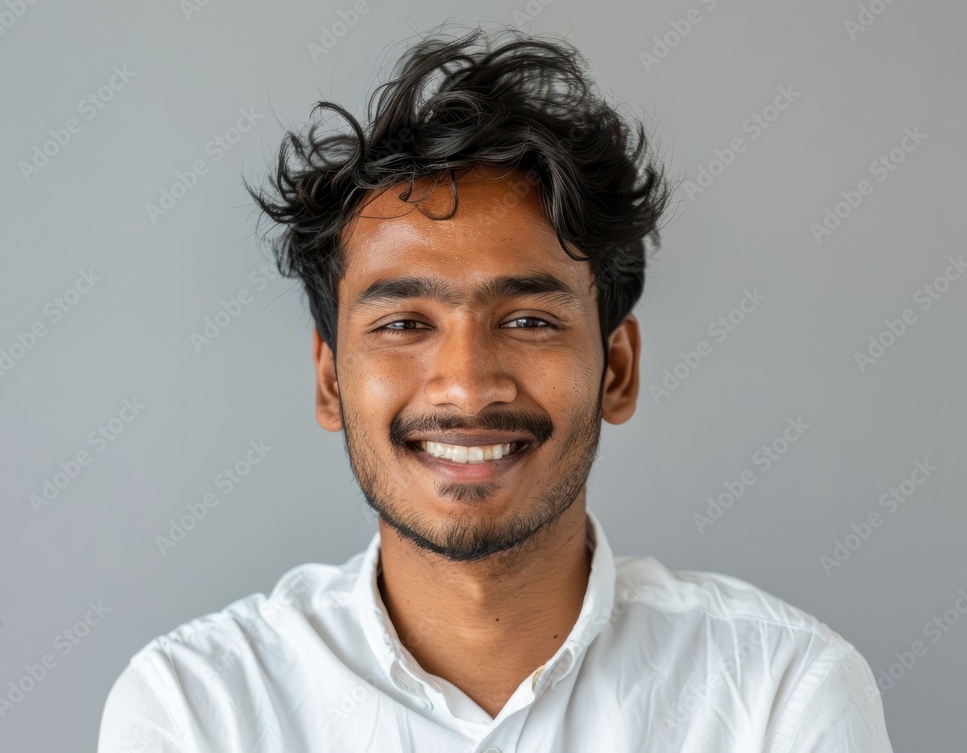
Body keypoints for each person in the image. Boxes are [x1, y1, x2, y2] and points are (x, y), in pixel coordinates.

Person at [98, 27, 894, 752]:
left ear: (617, 368)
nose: (467, 385)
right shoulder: (197, 709)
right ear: (331, 379)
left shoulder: (780, 696)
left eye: (529, 320)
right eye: (405, 323)